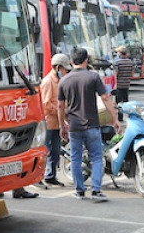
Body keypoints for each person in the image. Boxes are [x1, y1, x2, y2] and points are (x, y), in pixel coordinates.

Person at [58, 47, 120, 200]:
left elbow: (60, 106)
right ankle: (96, 190)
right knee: (97, 157)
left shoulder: (63, 81)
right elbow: (105, 98)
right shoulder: (93, 77)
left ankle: (79, 190)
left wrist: (61, 126)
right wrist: (115, 118)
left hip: (74, 126)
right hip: (92, 124)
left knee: (76, 158)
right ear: (86, 60)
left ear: (71, 62)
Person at [38, 53, 70, 188]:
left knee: (56, 151)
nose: (66, 72)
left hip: (57, 123)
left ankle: (51, 176)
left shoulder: (60, 81)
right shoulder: (48, 82)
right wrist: (61, 111)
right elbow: (45, 104)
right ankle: (38, 177)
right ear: (57, 67)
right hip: (49, 123)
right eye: (64, 69)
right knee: (46, 151)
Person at [113, 46, 135, 114]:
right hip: (126, 84)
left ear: (120, 53)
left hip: (119, 85)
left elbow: (115, 74)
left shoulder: (117, 63)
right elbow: (132, 75)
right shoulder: (131, 63)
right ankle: (128, 115)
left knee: (119, 101)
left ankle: (120, 117)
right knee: (126, 101)